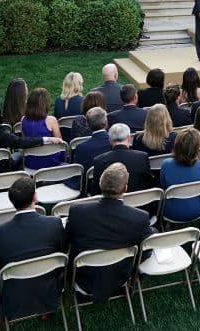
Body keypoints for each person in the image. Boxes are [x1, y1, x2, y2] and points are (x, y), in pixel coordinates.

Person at [0, 177, 65, 328]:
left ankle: (1, 314)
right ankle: (45, 309)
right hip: (48, 285)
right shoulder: (54, 223)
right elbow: (62, 252)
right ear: (35, 198)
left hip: (14, 291)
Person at [66, 163, 154, 301]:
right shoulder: (139, 218)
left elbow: (68, 240)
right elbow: (147, 249)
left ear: (100, 184)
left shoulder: (77, 212)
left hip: (83, 278)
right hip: (120, 278)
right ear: (125, 188)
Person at [159, 128, 200, 223]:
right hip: (197, 209)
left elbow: (164, 188)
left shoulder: (166, 164)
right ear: (196, 147)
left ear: (176, 144)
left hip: (172, 212)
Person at [91, 123, 154, 194]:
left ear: (110, 140)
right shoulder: (142, 157)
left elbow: (96, 191)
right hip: (140, 202)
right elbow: (149, 184)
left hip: (112, 203)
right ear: (129, 138)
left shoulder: (99, 161)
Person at [21, 88, 63, 171]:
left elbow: (25, 139)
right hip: (51, 162)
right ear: (46, 103)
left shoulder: (23, 120)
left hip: (31, 162)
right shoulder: (51, 120)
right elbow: (60, 143)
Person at [71, 107, 111, 186]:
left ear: (88, 125)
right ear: (106, 123)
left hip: (90, 185)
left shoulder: (80, 148)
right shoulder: (114, 143)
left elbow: (78, 173)